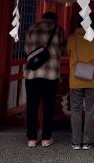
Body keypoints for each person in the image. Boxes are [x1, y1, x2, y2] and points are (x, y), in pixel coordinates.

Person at [24, 10, 65, 148]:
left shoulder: (31, 28)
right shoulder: (58, 29)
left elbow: (26, 49)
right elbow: (63, 48)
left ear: (42, 18)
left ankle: (32, 138)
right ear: (55, 20)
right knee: (49, 106)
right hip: (51, 74)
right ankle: (46, 138)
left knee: (32, 106)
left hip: (32, 74)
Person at [67, 13, 94, 150]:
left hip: (75, 79)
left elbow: (67, 51)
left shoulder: (71, 38)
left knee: (75, 110)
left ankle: (76, 141)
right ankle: (89, 140)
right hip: (92, 78)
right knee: (91, 110)